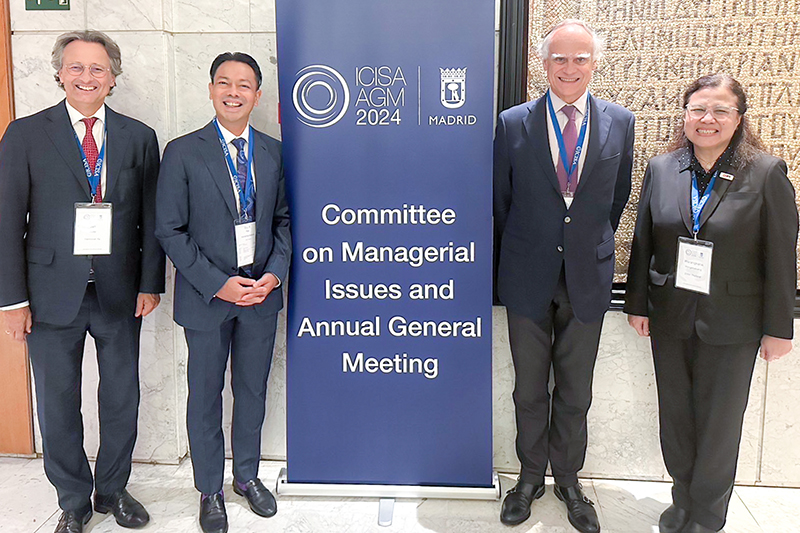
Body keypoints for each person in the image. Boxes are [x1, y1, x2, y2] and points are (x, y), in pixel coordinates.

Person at [0, 31, 164, 533]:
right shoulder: (25, 134)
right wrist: (12, 300)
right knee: (57, 402)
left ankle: (112, 489)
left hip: (120, 291)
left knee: (121, 397)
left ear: (113, 77)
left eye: (97, 68)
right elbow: (6, 221)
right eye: (76, 67)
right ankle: (72, 499)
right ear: (59, 73)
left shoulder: (139, 136)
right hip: (48, 294)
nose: (86, 77)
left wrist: (150, 283)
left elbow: (151, 218)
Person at [625, 73, 797, 533]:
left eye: (721, 110)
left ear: (739, 119)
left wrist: (779, 327)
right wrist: (637, 304)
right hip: (670, 316)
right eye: (698, 109)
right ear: (684, 116)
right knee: (676, 416)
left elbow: (781, 255)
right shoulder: (663, 169)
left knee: (720, 423)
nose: (708, 119)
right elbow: (644, 242)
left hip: (734, 322)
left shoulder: (766, 172)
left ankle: (707, 513)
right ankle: (682, 499)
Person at [493, 19, 634, 533]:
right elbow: (502, 202)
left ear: (594, 63)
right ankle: (529, 479)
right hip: (527, 273)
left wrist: (582, 245)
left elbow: (616, 199)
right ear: (543, 63)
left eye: (580, 58)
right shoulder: (513, 122)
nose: (569, 68)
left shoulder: (621, 121)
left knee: (576, 392)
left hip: (587, 276)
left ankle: (569, 481)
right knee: (529, 390)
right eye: (559, 58)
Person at [155, 52, 290, 533]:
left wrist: (273, 275)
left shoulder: (274, 152)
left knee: (252, 390)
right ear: (211, 89)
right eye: (225, 83)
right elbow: (170, 230)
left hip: (260, 295)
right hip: (207, 297)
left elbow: (283, 221)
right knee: (206, 395)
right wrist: (218, 284)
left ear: (257, 94)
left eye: (244, 85)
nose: (234, 92)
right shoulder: (182, 151)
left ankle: (246, 476)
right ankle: (209, 488)